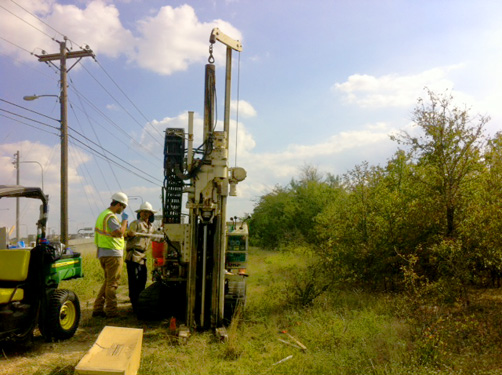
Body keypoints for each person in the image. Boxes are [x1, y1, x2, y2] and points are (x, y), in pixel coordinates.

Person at [92, 192, 129, 318]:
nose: (122, 210)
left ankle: (97, 308)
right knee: (113, 284)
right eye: (123, 207)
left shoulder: (103, 215)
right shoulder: (111, 217)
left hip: (103, 252)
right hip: (112, 253)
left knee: (108, 282)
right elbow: (118, 233)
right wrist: (124, 221)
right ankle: (112, 311)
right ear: (118, 204)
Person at [125, 202, 157, 312]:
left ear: (150, 214)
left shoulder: (152, 227)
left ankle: (140, 302)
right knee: (134, 282)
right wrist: (130, 234)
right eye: (143, 212)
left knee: (142, 281)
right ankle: (134, 305)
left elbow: (156, 238)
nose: (145, 214)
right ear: (140, 213)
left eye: (147, 212)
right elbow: (126, 235)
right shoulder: (136, 224)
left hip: (143, 256)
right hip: (133, 256)